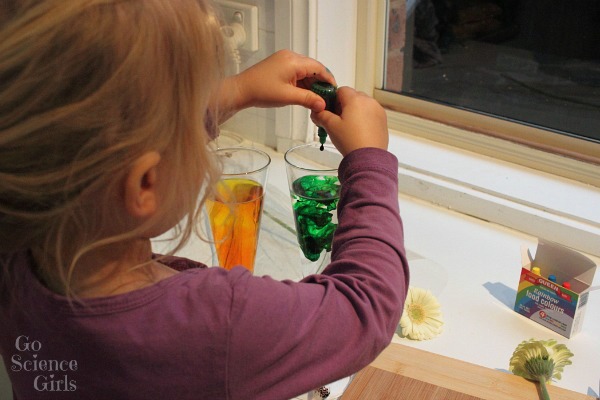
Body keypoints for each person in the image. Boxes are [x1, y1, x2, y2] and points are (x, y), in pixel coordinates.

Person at [0, 0, 409, 399]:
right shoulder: (217, 324)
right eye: (193, 133)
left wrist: (237, 91)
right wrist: (368, 161)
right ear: (146, 184)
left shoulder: (15, 257)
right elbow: (366, 305)